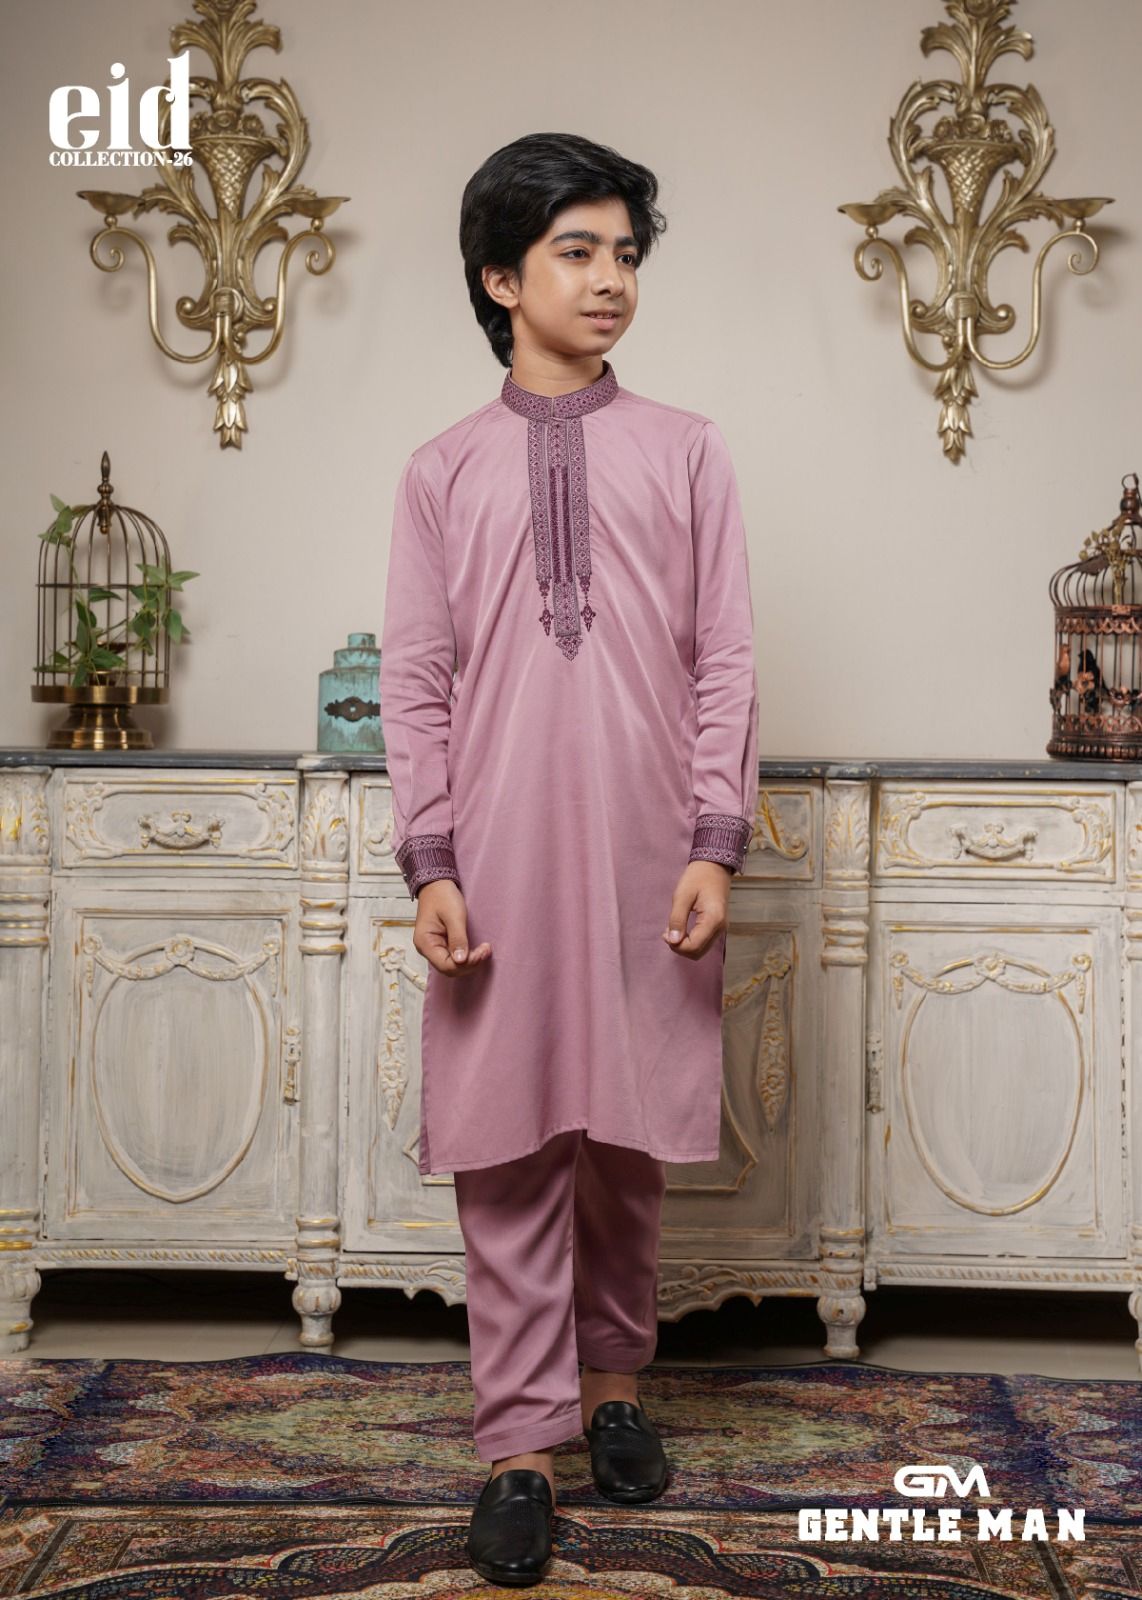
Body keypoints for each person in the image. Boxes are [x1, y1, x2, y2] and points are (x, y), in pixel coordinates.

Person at [379, 130, 760, 1587]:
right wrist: (431, 862)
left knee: (622, 1134)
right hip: (496, 845)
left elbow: (724, 656)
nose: (610, 280)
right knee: (508, 1140)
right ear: (501, 277)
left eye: (624, 255)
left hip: (652, 842)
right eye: (576, 252)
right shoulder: (441, 470)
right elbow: (416, 679)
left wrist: (714, 838)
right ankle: (520, 1448)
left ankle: (614, 1390)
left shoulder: (686, 449)